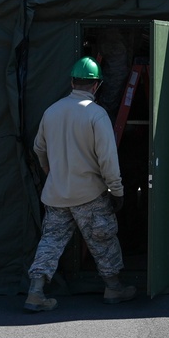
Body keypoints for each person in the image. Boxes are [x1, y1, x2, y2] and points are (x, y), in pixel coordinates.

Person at [24, 57, 136, 312]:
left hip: (56, 194)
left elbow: (38, 148)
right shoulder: (96, 115)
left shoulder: (51, 111)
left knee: (50, 241)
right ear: (96, 85)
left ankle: (36, 292)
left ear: (72, 81)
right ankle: (113, 288)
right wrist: (116, 190)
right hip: (90, 195)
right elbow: (108, 159)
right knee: (103, 240)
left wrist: (51, 172)